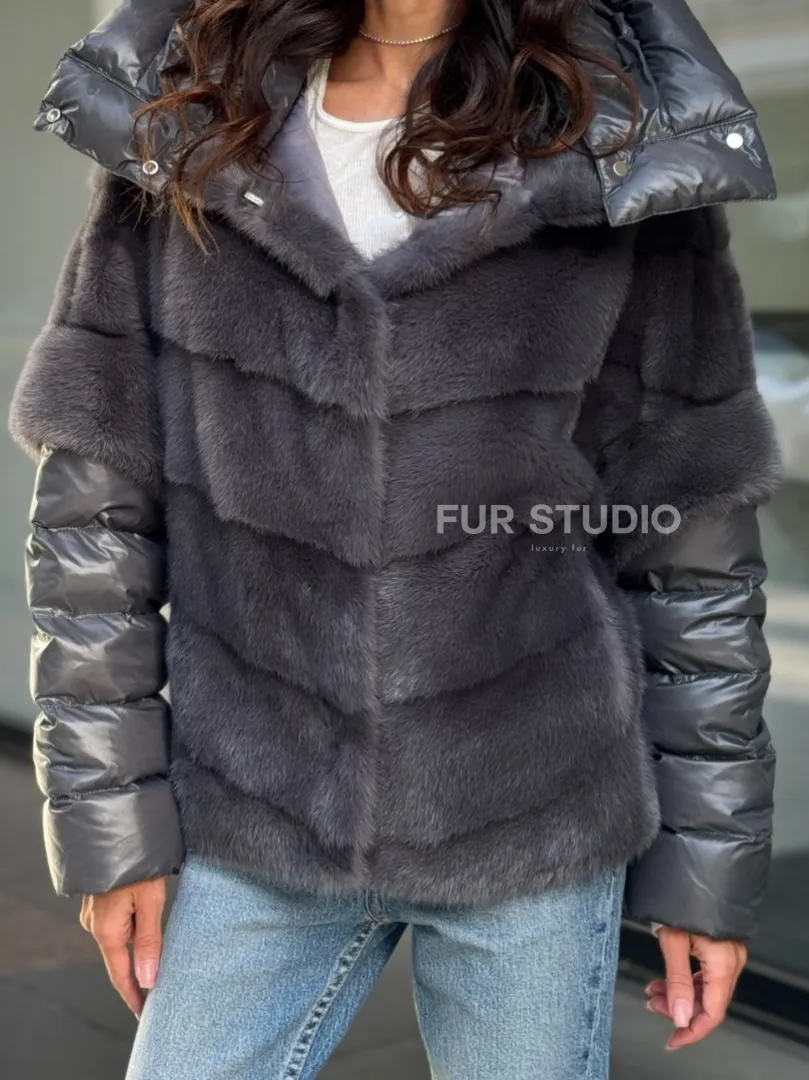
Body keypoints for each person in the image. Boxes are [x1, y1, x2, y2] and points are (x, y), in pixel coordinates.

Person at [9, 0, 781, 1077]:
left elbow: (688, 548)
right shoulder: (190, 123)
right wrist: (110, 820)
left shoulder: (608, 144)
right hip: (253, 811)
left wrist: (704, 866)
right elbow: (95, 525)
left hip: (530, 823)